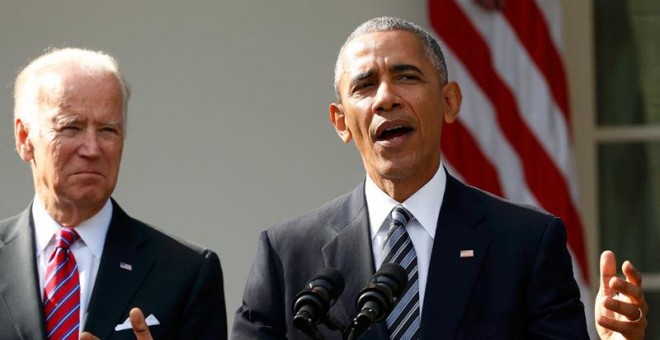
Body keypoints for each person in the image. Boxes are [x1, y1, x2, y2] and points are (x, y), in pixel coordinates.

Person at [231, 17, 647, 339]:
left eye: (406, 77)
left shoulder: (527, 243)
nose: (386, 98)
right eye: (365, 85)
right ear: (341, 122)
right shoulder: (285, 256)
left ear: (449, 102)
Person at [0, 48, 227, 339]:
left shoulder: (185, 272)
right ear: (24, 139)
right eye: (71, 127)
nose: (92, 149)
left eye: (108, 130)